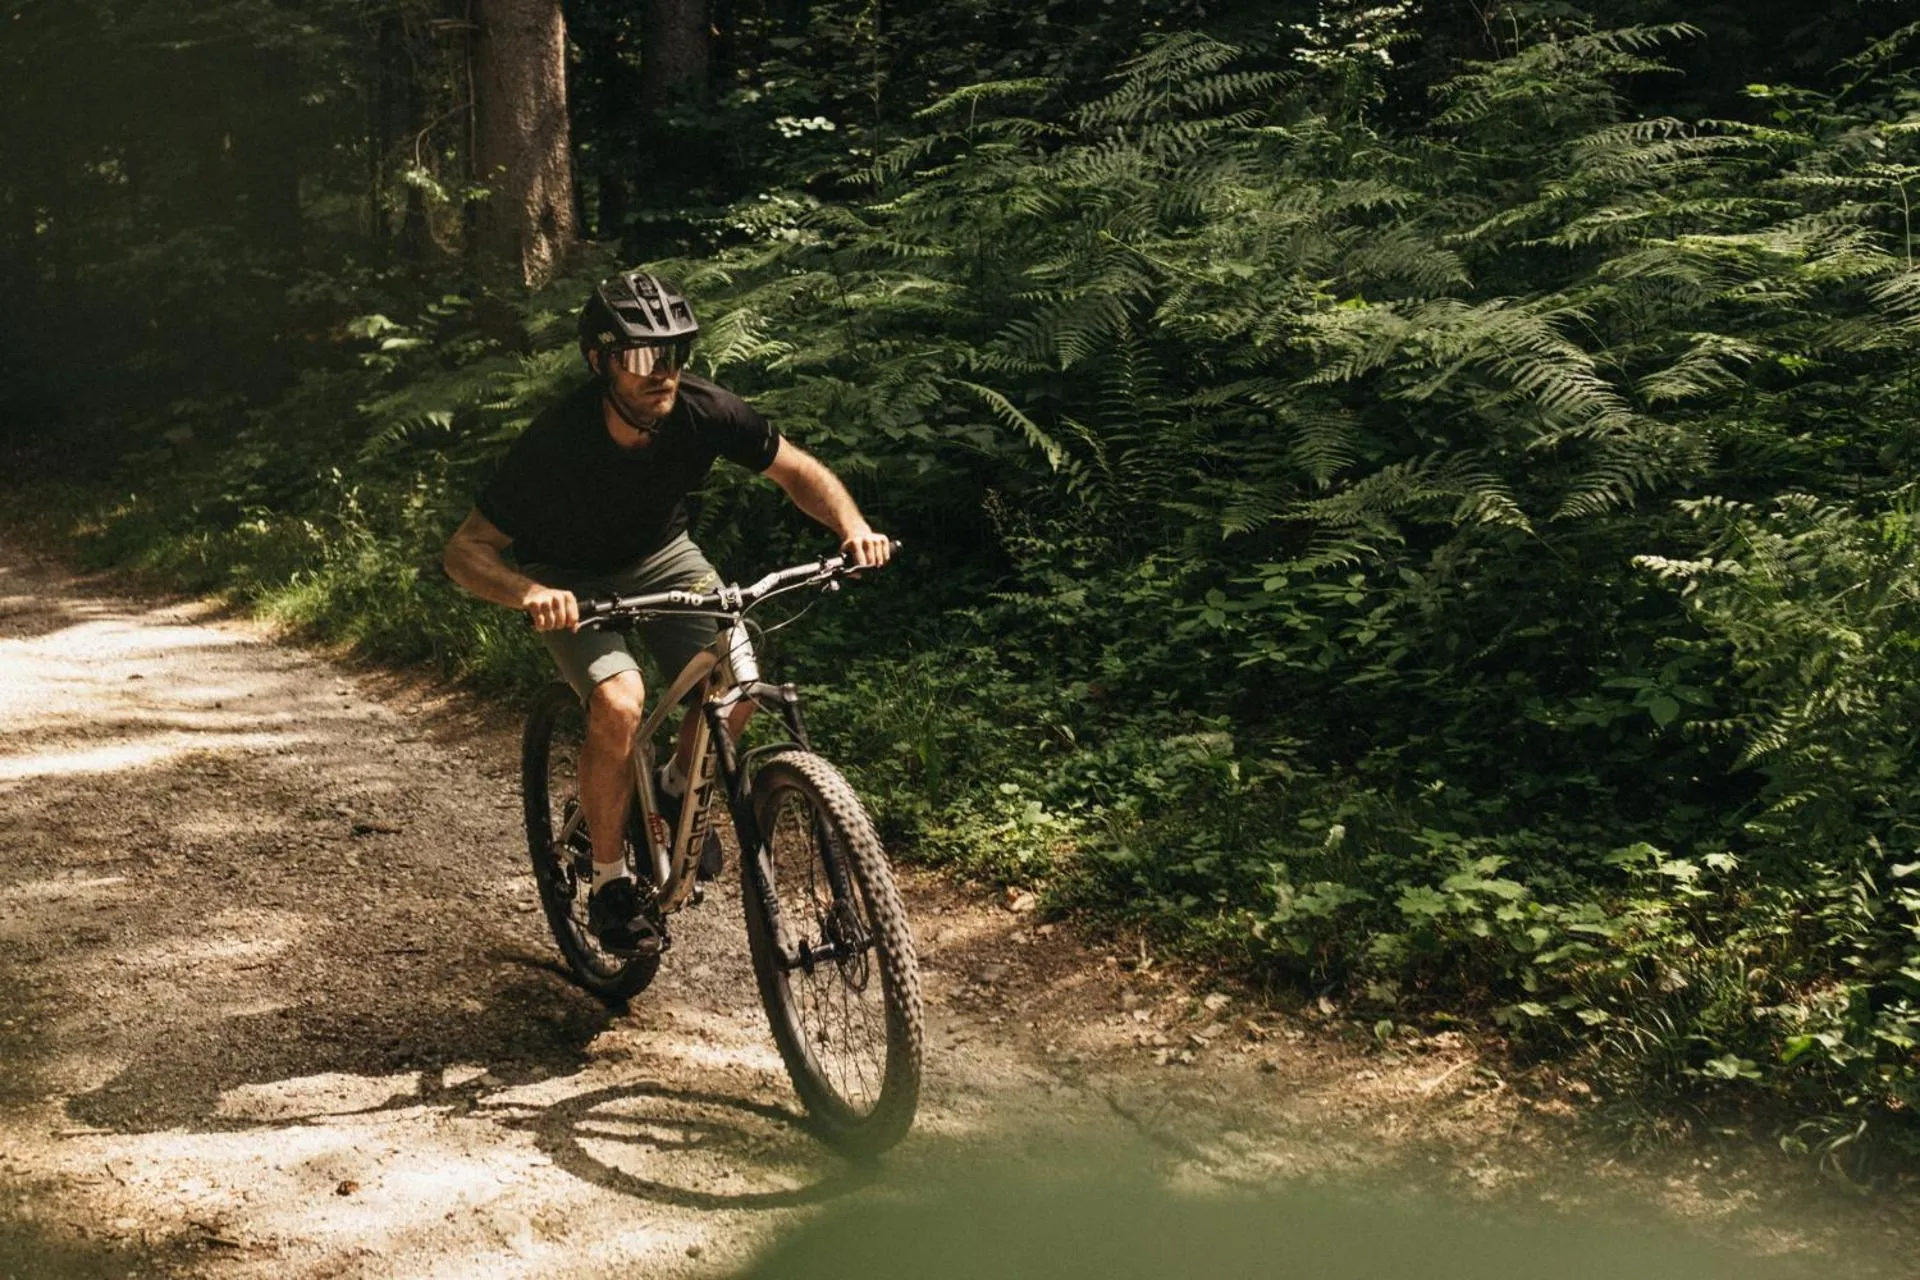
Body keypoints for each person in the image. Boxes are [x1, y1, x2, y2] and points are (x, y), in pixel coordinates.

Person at [443, 270, 891, 951]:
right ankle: (610, 880)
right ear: (601, 361)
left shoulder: (703, 410)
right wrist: (530, 593)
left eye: (677, 354)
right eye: (647, 358)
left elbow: (795, 470)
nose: (666, 374)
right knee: (621, 703)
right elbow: (465, 550)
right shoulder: (556, 441)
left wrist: (851, 527)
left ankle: (676, 792)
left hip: (663, 556)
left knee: (738, 685)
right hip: (572, 576)